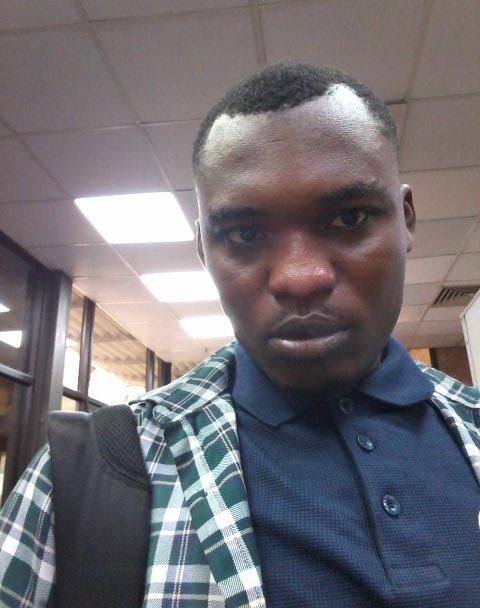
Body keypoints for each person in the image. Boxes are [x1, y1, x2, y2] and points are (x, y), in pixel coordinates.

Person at [1, 62, 479, 607]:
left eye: (348, 219)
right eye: (244, 233)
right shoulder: (86, 476)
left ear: (406, 218)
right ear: (203, 249)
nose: (299, 277)